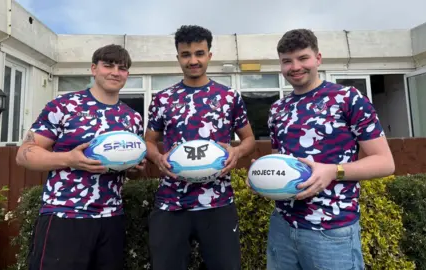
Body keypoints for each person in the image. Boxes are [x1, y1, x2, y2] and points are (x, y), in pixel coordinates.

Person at [265, 29, 395, 270]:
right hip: (282, 226)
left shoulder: (348, 98)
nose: (295, 66)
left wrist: (334, 171)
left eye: (303, 58)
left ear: (318, 58)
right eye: (287, 61)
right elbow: (279, 162)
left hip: (331, 230)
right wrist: (264, 178)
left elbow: (385, 162)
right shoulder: (277, 109)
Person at [16, 44, 146, 270]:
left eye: (122, 68)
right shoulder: (64, 106)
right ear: (94, 69)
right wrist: (70, 159)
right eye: (108, 65)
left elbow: (125, 170)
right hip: (65, 215)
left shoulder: (132, 118)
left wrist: (133, 169)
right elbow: (24, 154)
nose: (115, 72)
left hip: (111, 217)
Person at [145, 25, 256, 270]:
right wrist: (157, 158)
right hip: (171, 202)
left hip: (218, 202)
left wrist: (236, 151)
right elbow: (149, 141)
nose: (193, 60)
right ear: (178, 58)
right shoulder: (163, 99)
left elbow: (248, 139)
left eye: (199, 53)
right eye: (186, 54)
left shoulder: (229, 97)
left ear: (209, 55)